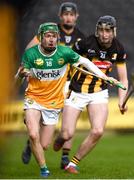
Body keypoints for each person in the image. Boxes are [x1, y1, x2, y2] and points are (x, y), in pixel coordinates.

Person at [17, 22, 118, 177]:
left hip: (53, 102)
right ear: (41, 37)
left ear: (58, 38)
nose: (51, 39)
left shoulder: (64, 53)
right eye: (48, 36)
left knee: (43, 145)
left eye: (54, 36)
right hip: (33, 97)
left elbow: (85, 62)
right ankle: (44, 169)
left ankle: (33, 141)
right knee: (33, 134)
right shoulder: (30, 54)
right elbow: (17, 81)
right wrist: (20, 75)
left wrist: (104, 76)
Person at [53, 15, 128, 174]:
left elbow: (124, 80)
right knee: (67, 134)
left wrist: (122, 101)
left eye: (108, 30)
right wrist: (64, 83)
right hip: (77, 91)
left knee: (98, 131)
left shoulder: (118, 49)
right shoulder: (85, 44)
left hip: (99, 93)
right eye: (101, 30)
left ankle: (72, 164)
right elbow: (65, 61)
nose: (104, 34)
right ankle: (61, 138)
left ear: (114, 31)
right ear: (96, 31)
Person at [22, 2, 85, 169]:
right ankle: (32, 140)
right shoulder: (50, 31)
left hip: (69, 82)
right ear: (60, 16)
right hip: (48, 81)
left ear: (76, 16)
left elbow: (83, 63)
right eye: (66, 14)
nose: (68, 17)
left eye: (72, 14)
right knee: (44, 117)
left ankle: (65, 156)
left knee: (70, 118)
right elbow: (30, 50)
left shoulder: (81, 37)